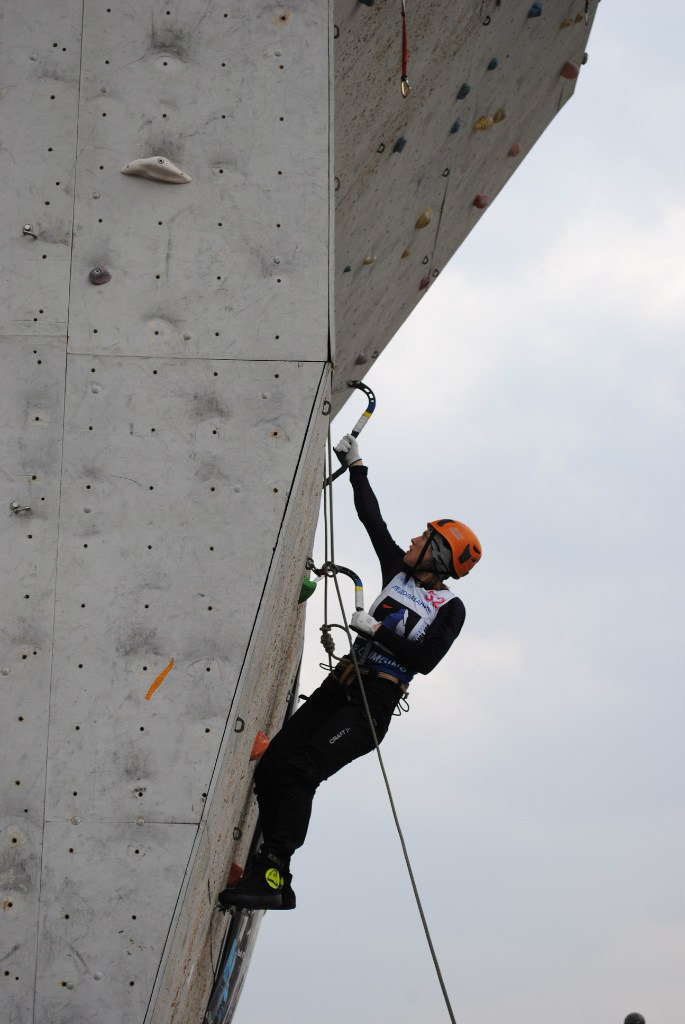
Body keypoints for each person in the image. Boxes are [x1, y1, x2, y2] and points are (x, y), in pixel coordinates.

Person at [219, 433, 482, 910]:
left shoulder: (451, 607)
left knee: (302, 770)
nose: (414, 539)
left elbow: (424, 661)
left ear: (439, 556)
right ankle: (268, 870)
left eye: (425, 538)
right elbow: (371, 517)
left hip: (371, 705)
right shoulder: (397, 571)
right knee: (275, 765)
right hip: (339, 683)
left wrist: (376, 630)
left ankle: (275, 874)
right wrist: (356, 463)